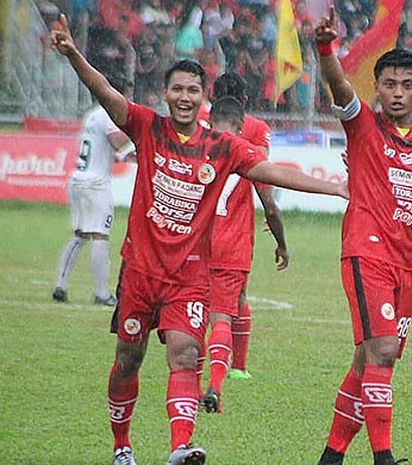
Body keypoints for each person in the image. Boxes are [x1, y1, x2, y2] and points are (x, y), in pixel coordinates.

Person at [51, 14, 347, 465]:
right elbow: (106, 94)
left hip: (189, 277)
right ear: (165, 94)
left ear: (204, 99)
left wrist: (336, 188)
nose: (185, 97)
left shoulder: (222, 147)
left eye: (193, 90)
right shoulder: (147, 127)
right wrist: (73, 52)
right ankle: (122, 447)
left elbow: (272, 172)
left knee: (186, 355)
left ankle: (180, 447)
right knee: (129, 358)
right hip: (140, 273)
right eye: (177, 89)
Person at [314, 8, 412, 465]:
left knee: (369, 361)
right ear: (377, 88)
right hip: (368, 253)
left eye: (407, 85)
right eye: (390, 85)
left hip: (411, 262)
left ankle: (332, 456)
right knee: (381, 352)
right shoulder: (362, 123)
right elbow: (339, 85)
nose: (398, 93)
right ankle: (384, 458)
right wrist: (326, 49)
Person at [201, 93, 287, 413]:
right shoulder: (246, 154)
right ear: (241, 127)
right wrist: (282, 244)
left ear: (210, 122)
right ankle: (215, 385)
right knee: (222, 317)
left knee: (194, 317)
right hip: (231, 248)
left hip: (196, 245)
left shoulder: (196, 148)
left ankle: (188, 386)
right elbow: (271, 207)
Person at [52, 76, 135, 306]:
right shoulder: (109, 114)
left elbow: (111, 150)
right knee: (100, 236)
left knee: (80, 235)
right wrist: (135, 132)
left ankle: (60, 284)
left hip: (78, 179)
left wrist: (127, 155)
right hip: (95, 184)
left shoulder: (92, 114)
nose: (127, 101)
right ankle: (101, 294)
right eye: (125, 96)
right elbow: (118, 141)